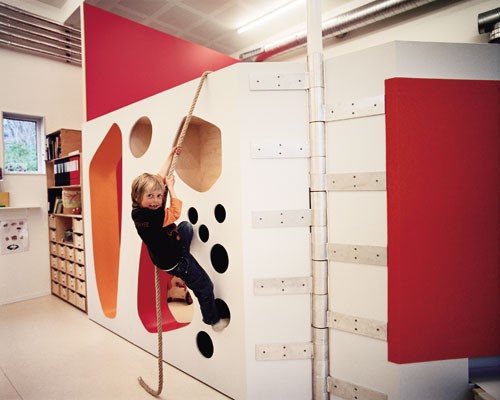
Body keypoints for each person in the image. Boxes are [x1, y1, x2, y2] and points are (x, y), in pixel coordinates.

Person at [131, 146, 229, 332]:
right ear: (138, 196)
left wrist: (170, 155)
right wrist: (171, 188)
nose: (156, 201)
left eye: (159, 196)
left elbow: (158, 177)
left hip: (165, 250)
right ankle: (213, 320)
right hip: (176, 260)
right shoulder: (154, 217)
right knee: (204, 286)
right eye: (150, 196)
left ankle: (184, 261)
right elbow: (175, 211)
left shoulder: (138, 210)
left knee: (185, 227)